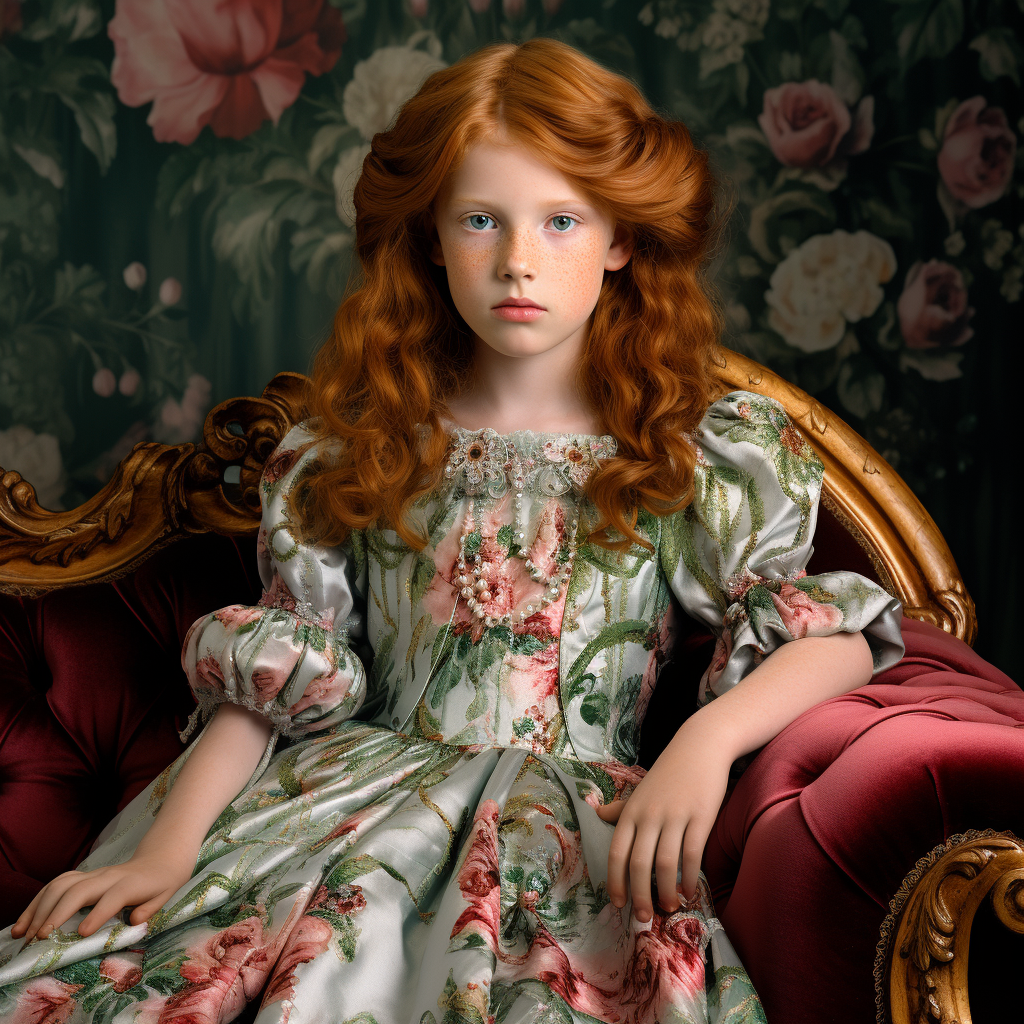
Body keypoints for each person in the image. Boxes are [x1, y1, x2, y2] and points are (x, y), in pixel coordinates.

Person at [0, 38, 904, 1024]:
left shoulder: (683, 453)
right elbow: (273, 682)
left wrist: (706, 742)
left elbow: (835, 640)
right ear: (430, 235)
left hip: (569, 826)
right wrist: (166, 852)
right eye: (481, 220)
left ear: (619, 240)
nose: (518, 260)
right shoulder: (358, 443)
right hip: (339, 807)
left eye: (560, 222)